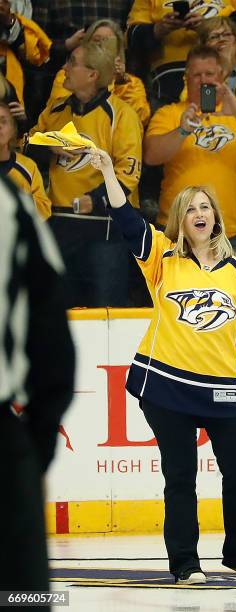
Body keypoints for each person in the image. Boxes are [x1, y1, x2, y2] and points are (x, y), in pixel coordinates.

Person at [86, 145, 236, 585]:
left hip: (224, 391)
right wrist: (107, 172)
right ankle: (184, 562)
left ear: (215, 216)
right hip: (168, 389)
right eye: (190, 208)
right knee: (181, 477)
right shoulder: (163, 259)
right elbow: (128, 222)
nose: (199, 213)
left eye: (205, 207)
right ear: (181, 219)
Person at [0, 176, 74, 598]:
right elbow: (52, 337)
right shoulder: (10, 202)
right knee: (17, 594)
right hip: (3, 443)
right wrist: (34, 446)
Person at [26, 40, 143, 307]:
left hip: (105, 230)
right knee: (58, 310)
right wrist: (49, 148)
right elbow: (25, 144)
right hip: (60, 228)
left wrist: (98, 198)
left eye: (72, 63)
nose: (64, 68)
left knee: (106, 312)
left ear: (92, 75)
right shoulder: (55, 110)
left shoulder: (122, 115)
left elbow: (130, 171)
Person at [144, 45, 236, 266]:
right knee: (178, 299)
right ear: (186, 78)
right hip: (179, 232)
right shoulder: (170, 113)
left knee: (231, 300)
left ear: (222, 76)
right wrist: (183, 130)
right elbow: (150, 156)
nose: (203, 80)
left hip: (231, 232)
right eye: (196, 74)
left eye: (209, 74)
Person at [126, 0, 236, 105]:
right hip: (170, 75)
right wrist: (159, 29)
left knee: (217, 121)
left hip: (225, 69)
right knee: (183, 126)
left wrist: (209, 27)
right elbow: (131, 38)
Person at [47, 19, 151, 127]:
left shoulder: (129, 83)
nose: (101, 47)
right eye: (96, 41)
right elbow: (56, 113)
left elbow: (140, 118)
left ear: (117, 50)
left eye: (107, 42)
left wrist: (120, 83)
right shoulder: (67, 73)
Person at [0, 102, 51, 219]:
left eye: (3, 121)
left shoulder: (28, 167)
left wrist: (17, 197)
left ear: (13, 130)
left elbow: (44, 210)